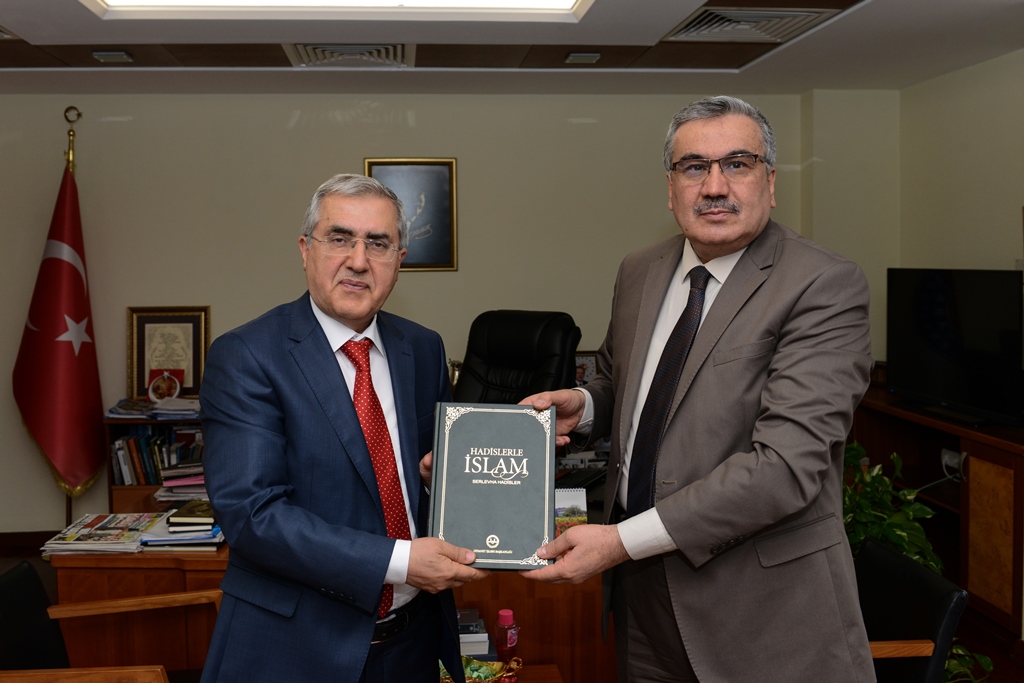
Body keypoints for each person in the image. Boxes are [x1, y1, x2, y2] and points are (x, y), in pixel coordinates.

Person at [520, 96, 875, 682]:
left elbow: (784, 468)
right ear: (670, 187)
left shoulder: (823, 284)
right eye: (694, 167)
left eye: (737, 163)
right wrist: (585, 407)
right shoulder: (640, 270)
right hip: (641, 600)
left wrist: (621, 541)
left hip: (760, 611)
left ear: (770, 182)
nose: (714, 186)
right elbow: (621, 379)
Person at [199, 173, 489, 683]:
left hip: (413, 641)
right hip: (296, 648)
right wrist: (400, 561)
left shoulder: (423, 348)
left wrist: (438, 479)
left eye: (378, 243)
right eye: (339, 238)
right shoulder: (246, 355)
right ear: (305, 249)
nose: (358, 260)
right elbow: (252, 516)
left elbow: (422, 477)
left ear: (399, 260)